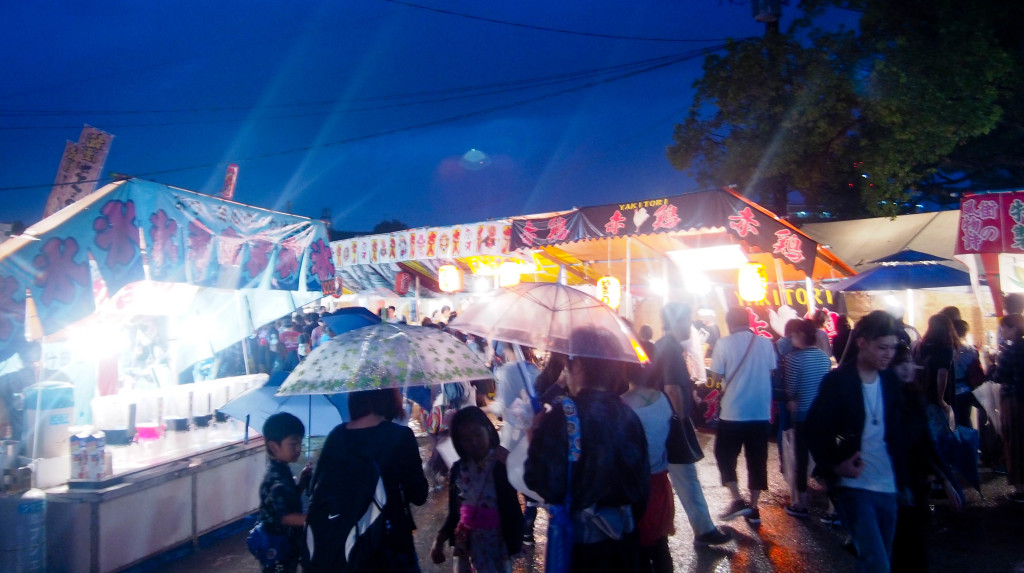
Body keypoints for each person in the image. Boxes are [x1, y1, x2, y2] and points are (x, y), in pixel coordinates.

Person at [524, 326, 650, 573]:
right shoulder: (628, 414)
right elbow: (642, 490)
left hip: (581, 551)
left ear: (578, 364)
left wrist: (534, 439)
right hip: (624, 546)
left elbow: (544, 483)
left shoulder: (562, 415)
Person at [806, 310, 910, 573]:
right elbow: (815, 428)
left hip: (888, 483)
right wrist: (835, 466)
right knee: (877, 563)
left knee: (880, 557)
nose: (888, 354)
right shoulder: (839, 381)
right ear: (862, 342)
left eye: (892, 348)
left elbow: (898, 430)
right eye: (882, 347)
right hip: (854, 485)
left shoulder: (889, 380)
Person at [310, 389, 429, 571]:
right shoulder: (400, 436)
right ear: (388, 396)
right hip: (391, 542)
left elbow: (317, 491)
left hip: (346, 542)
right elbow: (419, 495)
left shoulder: (337, 435)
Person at [651, 302, 731, 546]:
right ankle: (703, 530)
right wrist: (682, 416)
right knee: (686, 476)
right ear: (676, 322)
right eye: (687, 321)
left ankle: (699, 528)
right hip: (673, 423)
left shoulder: (664, 346)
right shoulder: (671, 348)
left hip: (665, 421)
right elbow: (672, 388)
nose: (690, 326)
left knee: (677, 477)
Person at [889, 343, 963, 572]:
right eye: (901, 363)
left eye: (910, 361)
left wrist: (944, 479)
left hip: (914, 481)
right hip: (891, 482)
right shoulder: (883, 397)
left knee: (915, 548)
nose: (908, 367)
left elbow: (925, 442)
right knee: (900, 548)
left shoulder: (914, 396)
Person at [431, 407, 524, 572]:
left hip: (496, 543)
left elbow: (527, 488)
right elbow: (455, 512)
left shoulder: (502, 465)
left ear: (488, 429)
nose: (473, 442)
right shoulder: (458, 469)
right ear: (458, 442)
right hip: (464, 543)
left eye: (477, 434)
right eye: (465, 439)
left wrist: (513, 464)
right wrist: (440, 538)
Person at [710, 307, 777, 524]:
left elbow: (715, 377)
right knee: (757, 459)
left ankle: (738, 499)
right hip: (759, 411)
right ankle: (754, 507)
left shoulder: (723, 344)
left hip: (733, 412)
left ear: (729, 323)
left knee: (724, 455)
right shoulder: (766, 343)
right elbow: (770, 371)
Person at [622, 360, 678, 572]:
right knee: (660, 542)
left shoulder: (623, 404)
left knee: (637, 545)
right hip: (659, 481)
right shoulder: (662, 398)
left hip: (634, 486)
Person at [782, 319, 832, 518]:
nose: (791, 339)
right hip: (823, 415)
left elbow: (791, 389)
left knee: (801, 459)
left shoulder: (794, 359)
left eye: (792, 335)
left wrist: (791, 399)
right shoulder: (824, 357)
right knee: (825, 459)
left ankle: (801, 504)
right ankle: (832, 507)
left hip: (803, 415)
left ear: (801, 335)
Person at [257, 413, 312, 573]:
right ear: (274, 447)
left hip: (286, 544)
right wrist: (316, 520)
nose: (298, 449)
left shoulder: (282, 469)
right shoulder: (275, 479)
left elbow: (287, 500)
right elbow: (287, 517)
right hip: (278, 547)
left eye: (300, 443)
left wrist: (301, 482)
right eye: (293, 444)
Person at [992, 313, 1024, 502]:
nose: (1002, 331)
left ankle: (1020, 487)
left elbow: (999, 376)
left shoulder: (1010, 351)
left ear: (1013, 329)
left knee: (1015, 440)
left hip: (1013, 400)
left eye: (1004, 327)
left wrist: (993, 364)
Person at [915, 314, 958, 430]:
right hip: (937, 396)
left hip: (923, 392)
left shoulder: (921, 346)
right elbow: (942, 372)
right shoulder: (945, 349)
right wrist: (941, 398)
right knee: (943, 430)